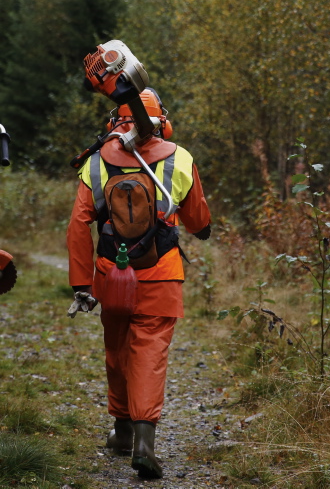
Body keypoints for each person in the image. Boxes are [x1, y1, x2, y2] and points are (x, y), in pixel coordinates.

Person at [67, 86, 212, 480]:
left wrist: (82, 283)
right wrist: (201, 227)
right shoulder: (180, 158)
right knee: (149, 353)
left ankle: (122, 430)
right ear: (160, 122)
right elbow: (199, 221)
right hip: (160, 274)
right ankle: (145, 442)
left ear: (117, 122)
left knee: (116, 349)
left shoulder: (96, 163)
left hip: (110, 275)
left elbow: (80, 225)